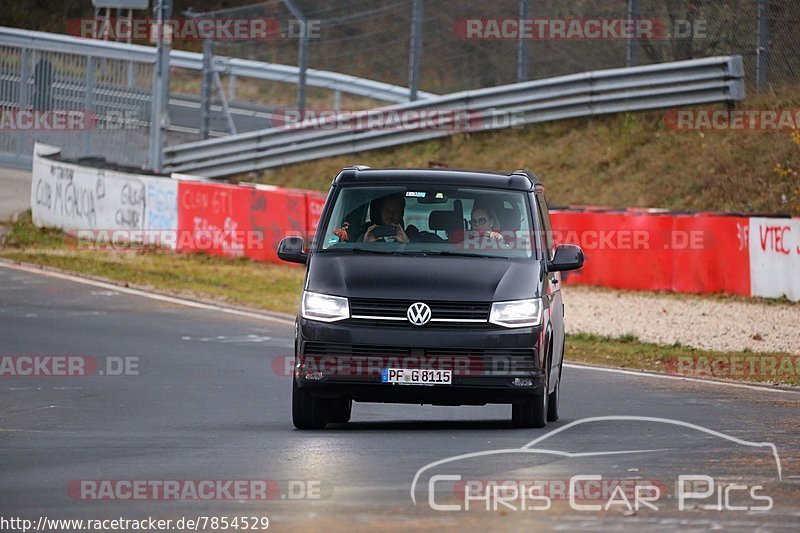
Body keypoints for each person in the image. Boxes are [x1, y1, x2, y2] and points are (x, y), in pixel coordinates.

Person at [361, 193, 444, 244]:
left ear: (402, 213)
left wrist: (407, 245)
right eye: (387, 209)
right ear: (380, 212)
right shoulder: (364, 237)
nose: (391, 214)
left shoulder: (419, 241)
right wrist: (365, 246)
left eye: (396, 210)